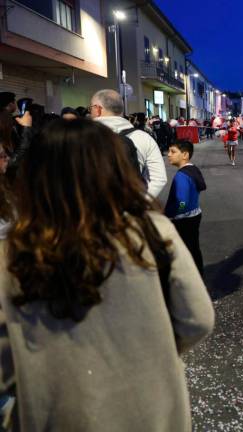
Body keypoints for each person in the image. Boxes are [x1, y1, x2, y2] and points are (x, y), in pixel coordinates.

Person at [0, 118, 214, 430]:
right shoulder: (152, 232)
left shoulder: (11, 255)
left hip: (55, 416)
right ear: (115, 169)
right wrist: (151, 349)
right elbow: (197, 319)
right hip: (152, 412)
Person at [89, 89, 167, 197]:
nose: (90, 112)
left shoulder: (81, 137)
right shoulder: (144, 138)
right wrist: (140, 202)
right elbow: (159, 178)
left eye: (90, 108)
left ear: (97, 109)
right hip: (131, 203)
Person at [165, 140, 206, 274]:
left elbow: (182, 201)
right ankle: (199, 275)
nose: (168, 155)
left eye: (173, 151)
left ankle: (192, 280)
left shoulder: (181, 175)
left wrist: (174, 214)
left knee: (184, 251)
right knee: (193, 248)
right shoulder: (193, 169)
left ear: (185, 155)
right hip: (195, 215)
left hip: (183, 219)